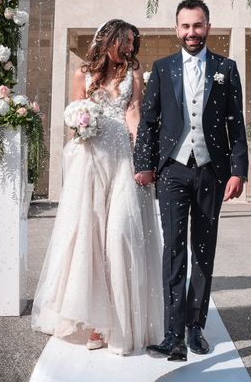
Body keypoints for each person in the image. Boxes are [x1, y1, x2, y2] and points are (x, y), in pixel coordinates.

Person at [31, 19, 163, 354]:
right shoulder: (82, 74)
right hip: (90, 160)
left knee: (120, 235)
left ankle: (122, 322)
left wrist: (142, 155)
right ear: (109, 40)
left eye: (134, 44)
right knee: (90, 237)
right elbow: (76, 112)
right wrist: (81, 125)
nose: (131, 49)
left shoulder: (133, 73)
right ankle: (94, 324)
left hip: (123, 160)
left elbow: (133, 112)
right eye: (127, 42)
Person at [134, 0, 249, 361]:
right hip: (172, 170)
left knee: (203, 247)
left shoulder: (226, 68)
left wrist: (238, 171)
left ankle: (195, 327)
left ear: (208, 27)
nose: (191, 33)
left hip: (210, 172)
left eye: (197, 26)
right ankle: (172, 333)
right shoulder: (163, 68)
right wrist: (144, 164)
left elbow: (236, 123)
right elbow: (148, 123)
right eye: (185, 26)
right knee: (173, 249)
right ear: (176, 29)